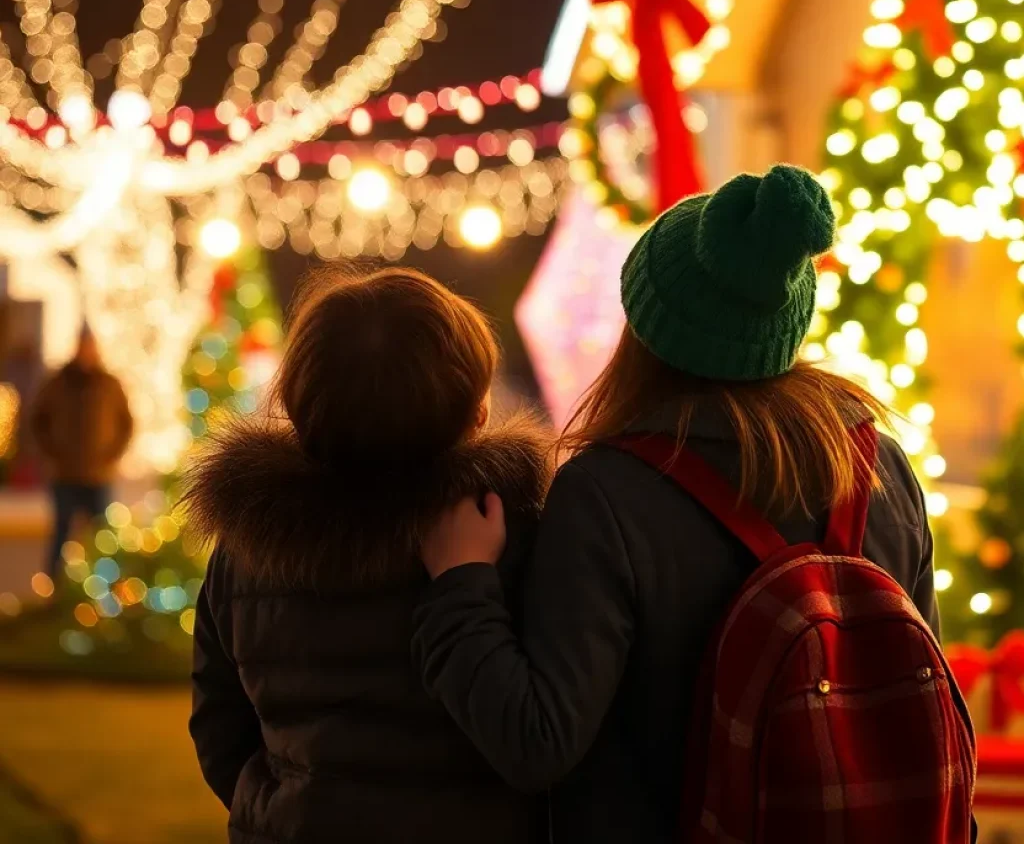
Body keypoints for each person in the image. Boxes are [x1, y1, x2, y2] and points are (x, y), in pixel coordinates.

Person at [414, 166, 971, 842]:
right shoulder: (877, 465)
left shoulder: (607, 494)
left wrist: (460, 583)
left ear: (645, 324)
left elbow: (536, 741)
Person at [182, 266, 551, 844]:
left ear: (300, 402)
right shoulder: (511, 532)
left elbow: (218, 725)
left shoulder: (252, 543)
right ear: (475, 409)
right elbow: (546, 733)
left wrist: (278, 810)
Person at [32, 326, 133, 578]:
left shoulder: (109, 384)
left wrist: (111, 456)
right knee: (61, 532)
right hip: (65, 474)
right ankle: (54, 588)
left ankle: (104, 587)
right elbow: (38, 420)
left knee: (103, 536)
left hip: (99, 475)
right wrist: (52, 454)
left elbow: (126, 423)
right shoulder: (57, 382)